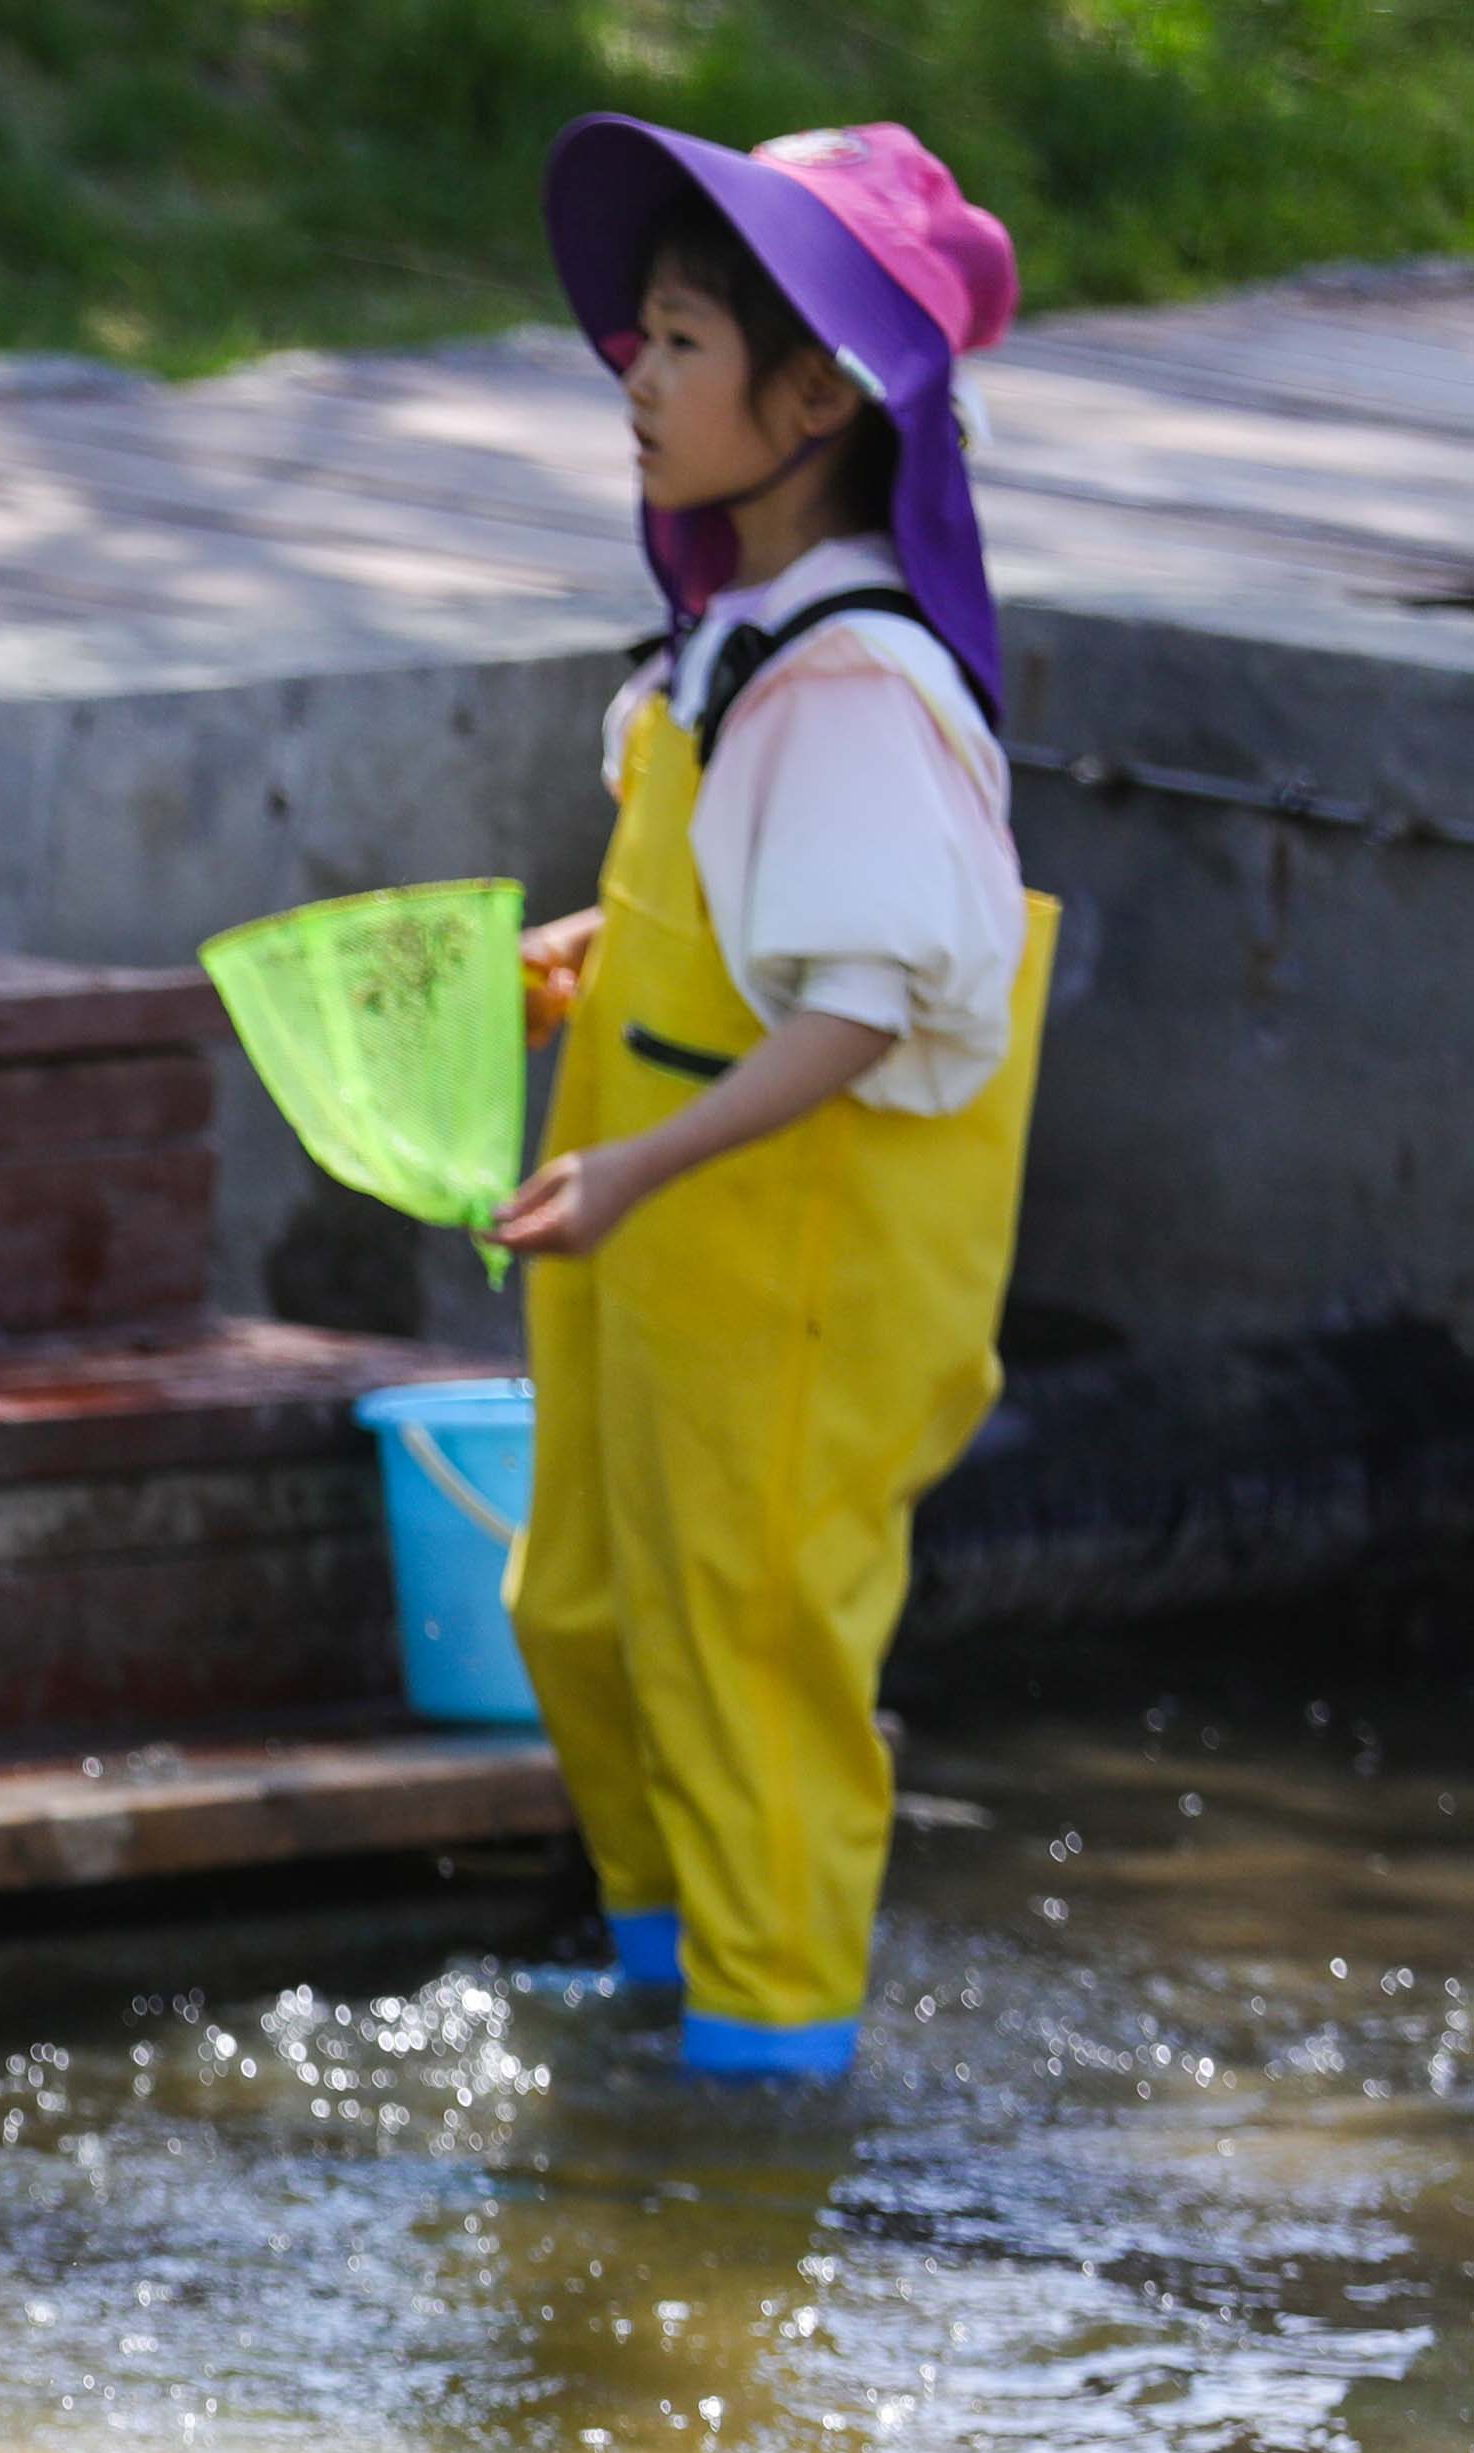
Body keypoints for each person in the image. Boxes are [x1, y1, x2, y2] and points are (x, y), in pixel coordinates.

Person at [498, 119, 1051, 2083]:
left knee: (742, 1655)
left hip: (764, 1264)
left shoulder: (853, 685)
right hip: (650, 1249)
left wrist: (633, 1161)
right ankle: (660, 1964)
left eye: (675, 345)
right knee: (578, 1605)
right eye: (634, 341)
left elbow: (851, 1007)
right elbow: (742, 909)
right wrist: (598, 945)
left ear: (813, 393)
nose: (630, 384)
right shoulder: (731, 640)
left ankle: (760, 2080)